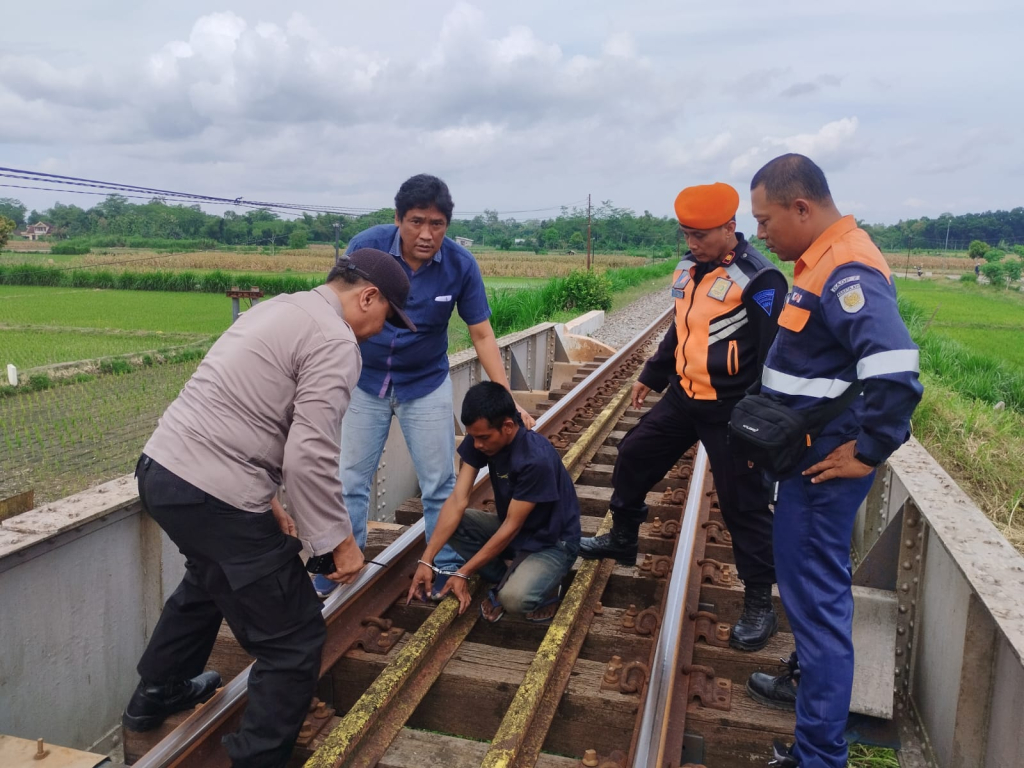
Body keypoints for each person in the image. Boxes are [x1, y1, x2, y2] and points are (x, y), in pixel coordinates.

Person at [123, 249, 415, 768]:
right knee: (296, 640)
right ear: (367, 296)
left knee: (212, 573)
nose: (381, 330)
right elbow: (309, 454)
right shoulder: (336, 341)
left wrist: (271, 503)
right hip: (215, 493)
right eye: (386, 317)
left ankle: (157, 692)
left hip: (163, 470)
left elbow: (250, 411)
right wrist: (337, 542)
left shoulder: (281, 307)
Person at [743, 154, 923, 768]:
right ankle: (811, 708)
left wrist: (870, 448)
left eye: (766, 220)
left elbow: (895, 369)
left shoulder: (846, 269)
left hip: (822, 470)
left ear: (802, 207)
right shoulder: (818, 260)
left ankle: (819, 756)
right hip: (807, 459)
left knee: (817, 611)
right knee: (817, 600)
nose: (761, 234)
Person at [580, 182, 787, 652]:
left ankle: (760, 603)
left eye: (701, 235)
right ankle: (623, 537)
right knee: (633, 454)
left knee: (744, 505)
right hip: (684, 397)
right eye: (686, 235)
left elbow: (773, 353)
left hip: (732, 410)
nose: (692, 244)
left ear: (730, 228)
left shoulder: (761, 280)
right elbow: (680, 328)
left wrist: (761, 416)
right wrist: (651, 375)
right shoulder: (687, 270)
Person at [321, 174, 535, 599]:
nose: (426, 233)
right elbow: (333, 308)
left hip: (425, 384)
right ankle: (340, 562)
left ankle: (444, 562)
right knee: (350, 480)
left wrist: (506, 398)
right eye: (416, 221)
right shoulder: (366, 248)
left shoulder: (459, 265)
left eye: (437, 224)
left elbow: (482, 335)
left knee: (439, 482)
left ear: (447, 226)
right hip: (365, 381)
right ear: (398, 218)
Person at [406, 382, 580, 624]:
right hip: (517, 533)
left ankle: (544, 588)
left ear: (508, 426)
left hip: (551, 542)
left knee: (515, 600)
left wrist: (463, 572)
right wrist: (427, 559)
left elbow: (511, 526)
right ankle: (510, 574)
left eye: (483, 437)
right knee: (451, 522)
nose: (477, 445)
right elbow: (457, 500)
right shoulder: (483, 440)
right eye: (473, 436)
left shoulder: (534, 459)